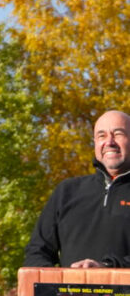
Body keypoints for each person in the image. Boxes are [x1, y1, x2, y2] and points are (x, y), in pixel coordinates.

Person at [24, 110, 130, 268]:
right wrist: (51, 287)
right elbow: (37, 252)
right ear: (94, 143)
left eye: (118, 134)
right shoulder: (67, 192)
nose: (109, 142)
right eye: (102, 136)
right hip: (70, 292)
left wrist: (107, 268)